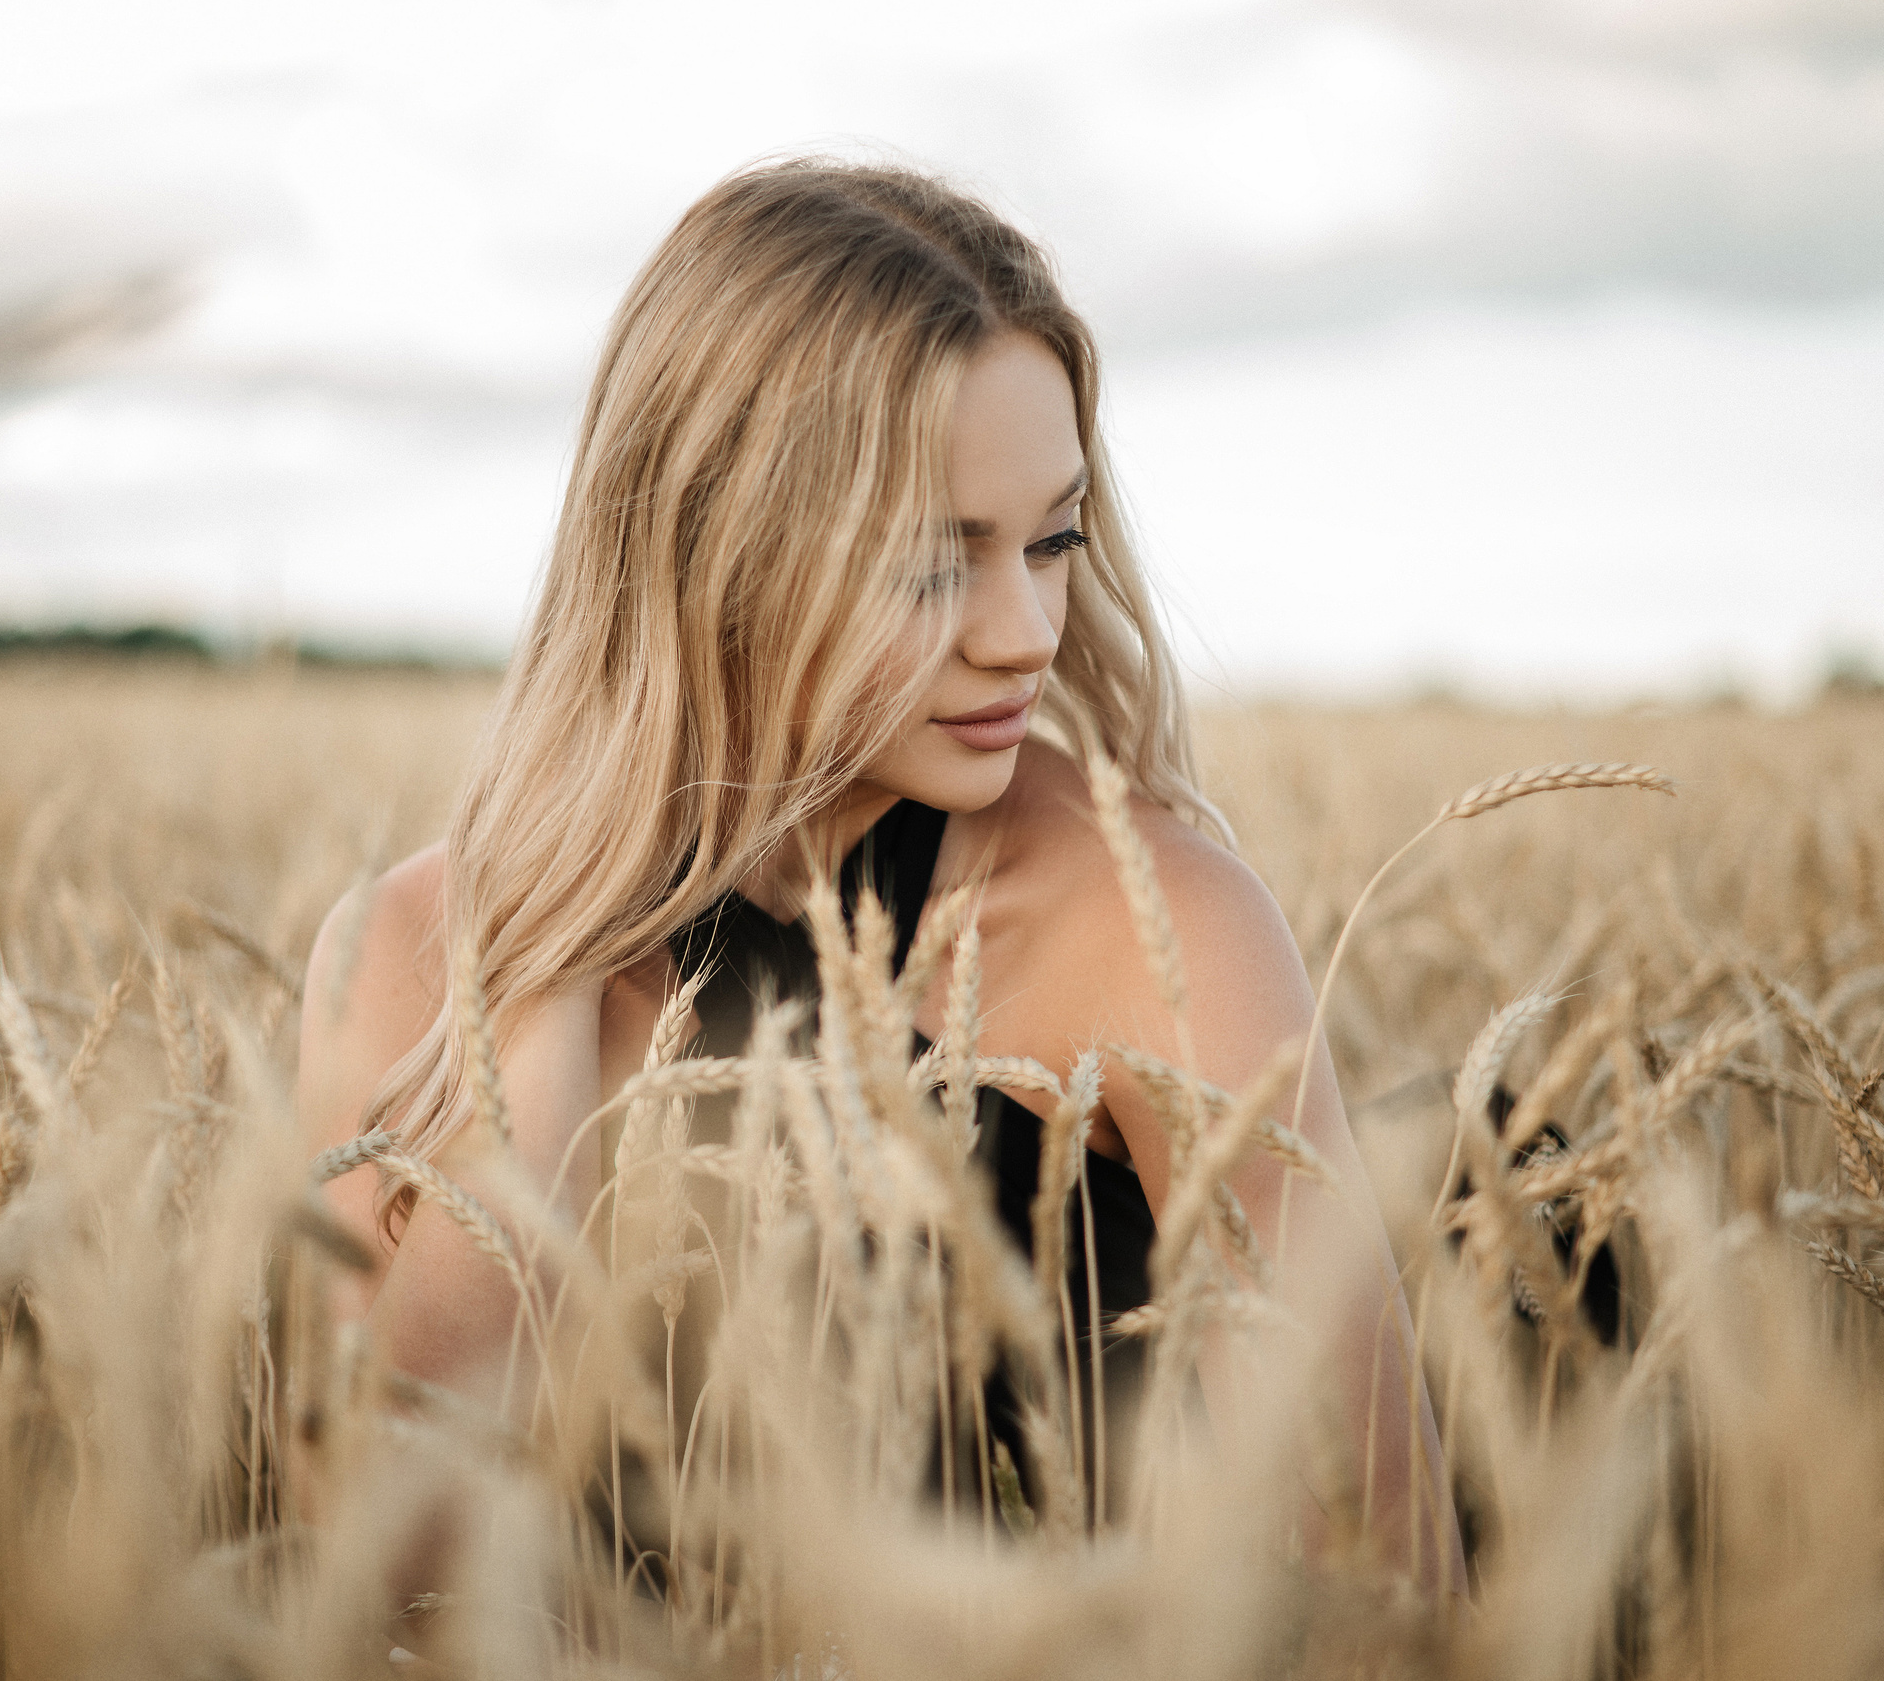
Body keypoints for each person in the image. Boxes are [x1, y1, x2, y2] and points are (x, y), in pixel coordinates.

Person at [296, 157, 1456, 1579]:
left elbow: (1390, 1588)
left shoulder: (1153, 925)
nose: (1028, 629)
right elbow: (371, 1576)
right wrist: (545, 970)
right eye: (933, 563)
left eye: (1054, 539)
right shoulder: (409, 944)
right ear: (717, 553)